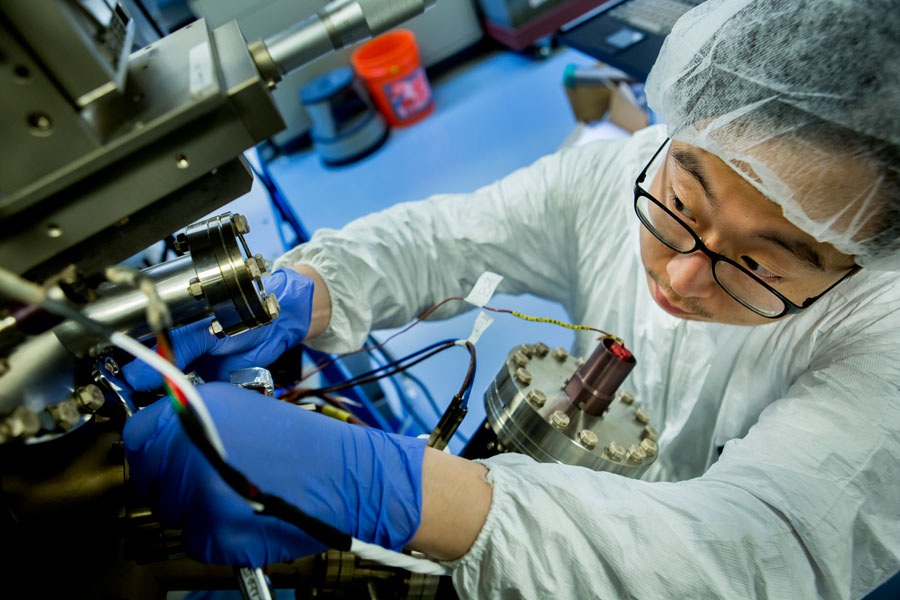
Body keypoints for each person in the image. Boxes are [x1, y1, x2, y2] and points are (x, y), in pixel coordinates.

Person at [121, 0, 900, 597]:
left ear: (863, 256)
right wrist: (300, 295)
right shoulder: (617, 174)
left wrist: (396, 488)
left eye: (760, 264)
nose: (682, 279)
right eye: (684, 206)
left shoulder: (885, 351)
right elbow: (450, 239)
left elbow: (751, 557)